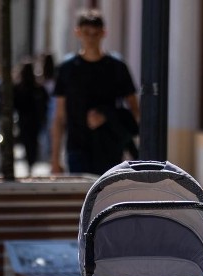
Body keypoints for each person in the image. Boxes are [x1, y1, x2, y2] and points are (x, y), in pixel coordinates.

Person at [50, 9, 140, 175]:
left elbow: (134, 110)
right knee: (81, 198)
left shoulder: (117, 67)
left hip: (110, 146)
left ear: (103, 33)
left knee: (108, 198)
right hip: (77, 146)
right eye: (86, 33)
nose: (90, 38)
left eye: (95, 33)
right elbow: (59, 116)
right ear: (78, 32)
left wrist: (108, 116)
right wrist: (55, 159)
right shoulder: (67, 68)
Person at [12, 59, 49, 175]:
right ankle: (31, 162)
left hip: (24, 120)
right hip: (35, 120)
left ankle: (30, 162)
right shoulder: (37, 87)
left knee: (27, 142)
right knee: (33, 142)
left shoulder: (19, 87)